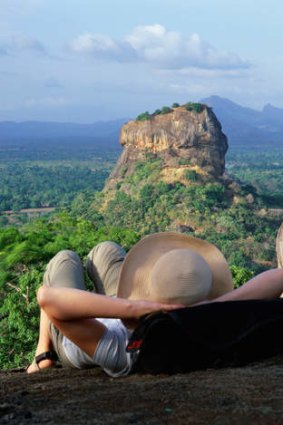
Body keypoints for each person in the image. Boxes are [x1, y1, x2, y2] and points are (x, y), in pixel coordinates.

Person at [27, 231, 283, 376]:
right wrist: (209, 306)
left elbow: (47, 297)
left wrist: (136, 307)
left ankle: (43, 353)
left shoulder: (123, 351)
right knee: (106, 249)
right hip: (147, 305)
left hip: (83, 328)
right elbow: (278, 277)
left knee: (65, 259)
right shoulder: (208, 317)